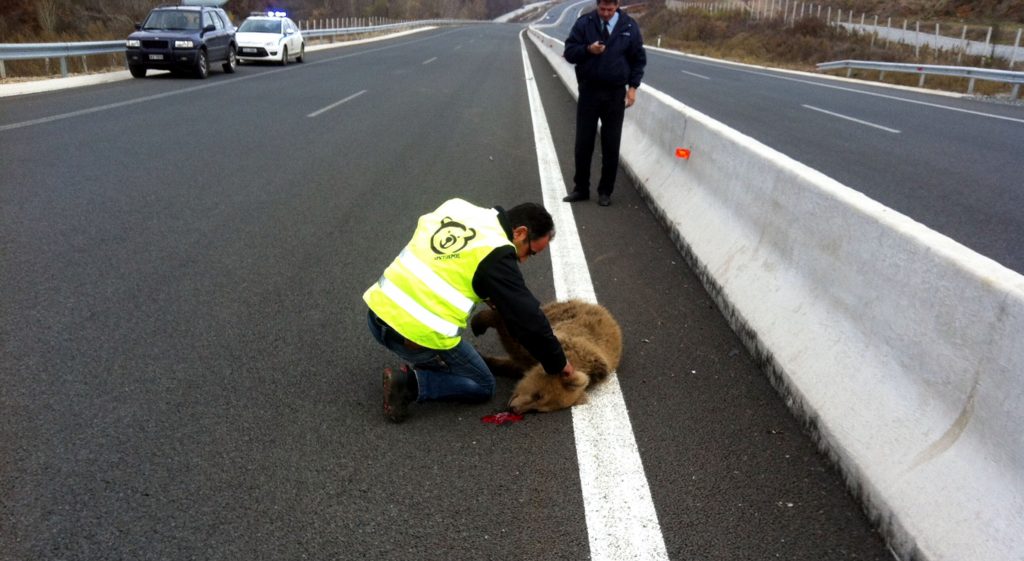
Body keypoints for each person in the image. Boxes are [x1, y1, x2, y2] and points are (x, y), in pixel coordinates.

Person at [363, 198, 575, 423]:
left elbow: (446, 260)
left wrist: (486, 287)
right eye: (530, 253)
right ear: (520, 233)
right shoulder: (497, 253)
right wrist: (559, 363)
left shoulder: (457, 207)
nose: (522, 260)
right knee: (482, 384)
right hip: (414, 334)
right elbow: (528, 319)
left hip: (377, 314)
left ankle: (427, 362)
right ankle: (409, 384)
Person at [562, 0, 647, 207]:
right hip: (589, 91)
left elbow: (638, 59)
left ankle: (605, 191)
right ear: (597, 5)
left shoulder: (629, 26)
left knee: (611, 144)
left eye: (610, 9)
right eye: (602, 9)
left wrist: (633, 87)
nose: (606, 13)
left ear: (617, 5)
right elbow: (570, 52)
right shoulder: (585, 23)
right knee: (583, 143)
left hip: (615, 94)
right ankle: (581, 188)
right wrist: (588, 49)